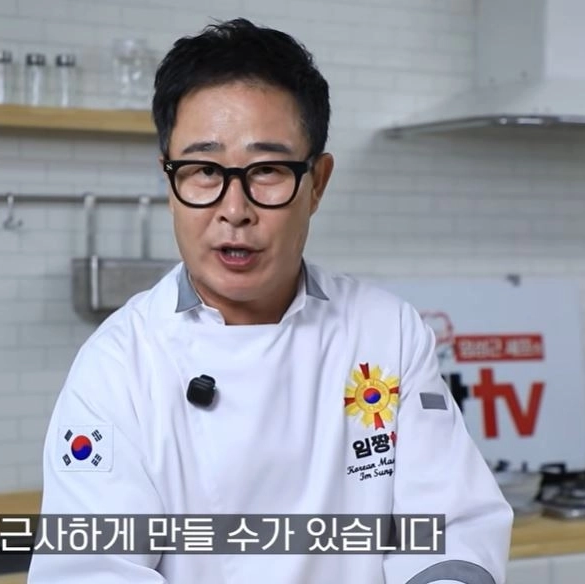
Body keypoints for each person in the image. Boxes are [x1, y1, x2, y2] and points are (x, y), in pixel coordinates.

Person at [27, 18, 513, 584]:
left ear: (317, 183)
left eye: (268, 171)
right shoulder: (119, 364)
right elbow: (91, 569)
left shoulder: (387, 333)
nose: (235, 210)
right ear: (168, 183)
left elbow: (446, 529)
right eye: (204, 171)